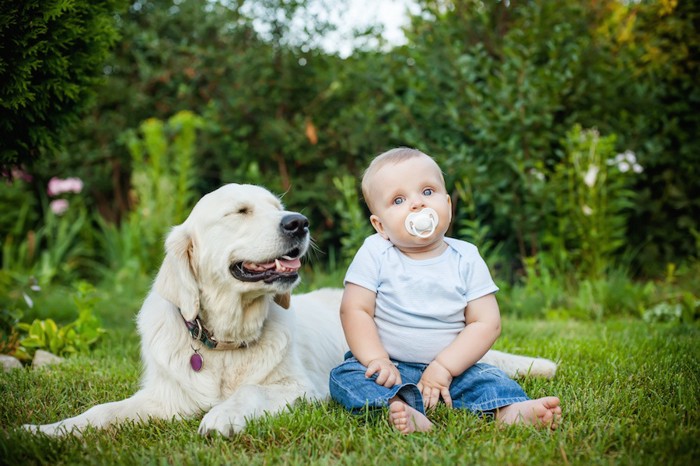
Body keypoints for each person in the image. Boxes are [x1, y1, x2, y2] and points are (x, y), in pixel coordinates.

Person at [329, 147, 561, 433]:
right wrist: (376, 358)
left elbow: (486, 322)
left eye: (427, 192)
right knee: (345, 376)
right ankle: (397, 405)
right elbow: (355, 309)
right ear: (380, 225)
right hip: (390, 367)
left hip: (453, 369)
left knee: (488, 377)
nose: (417, 204)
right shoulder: (375, 252)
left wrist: (445, 367)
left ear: (448, 205)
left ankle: (510, 409)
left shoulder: (466, 257)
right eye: (399, 199)